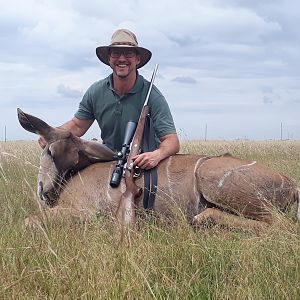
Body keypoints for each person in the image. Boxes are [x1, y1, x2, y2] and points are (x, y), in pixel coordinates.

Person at [39, 29, 180, 170]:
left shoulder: (153, 95)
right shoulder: (96, 91)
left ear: (137, 59)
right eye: (116, 53)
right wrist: (51, 134)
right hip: (108, 160)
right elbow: (77, 125)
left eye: (128, 53)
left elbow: (172, 141)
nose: (122, 59)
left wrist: (156, 155)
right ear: (109, 59)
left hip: (142, 163)